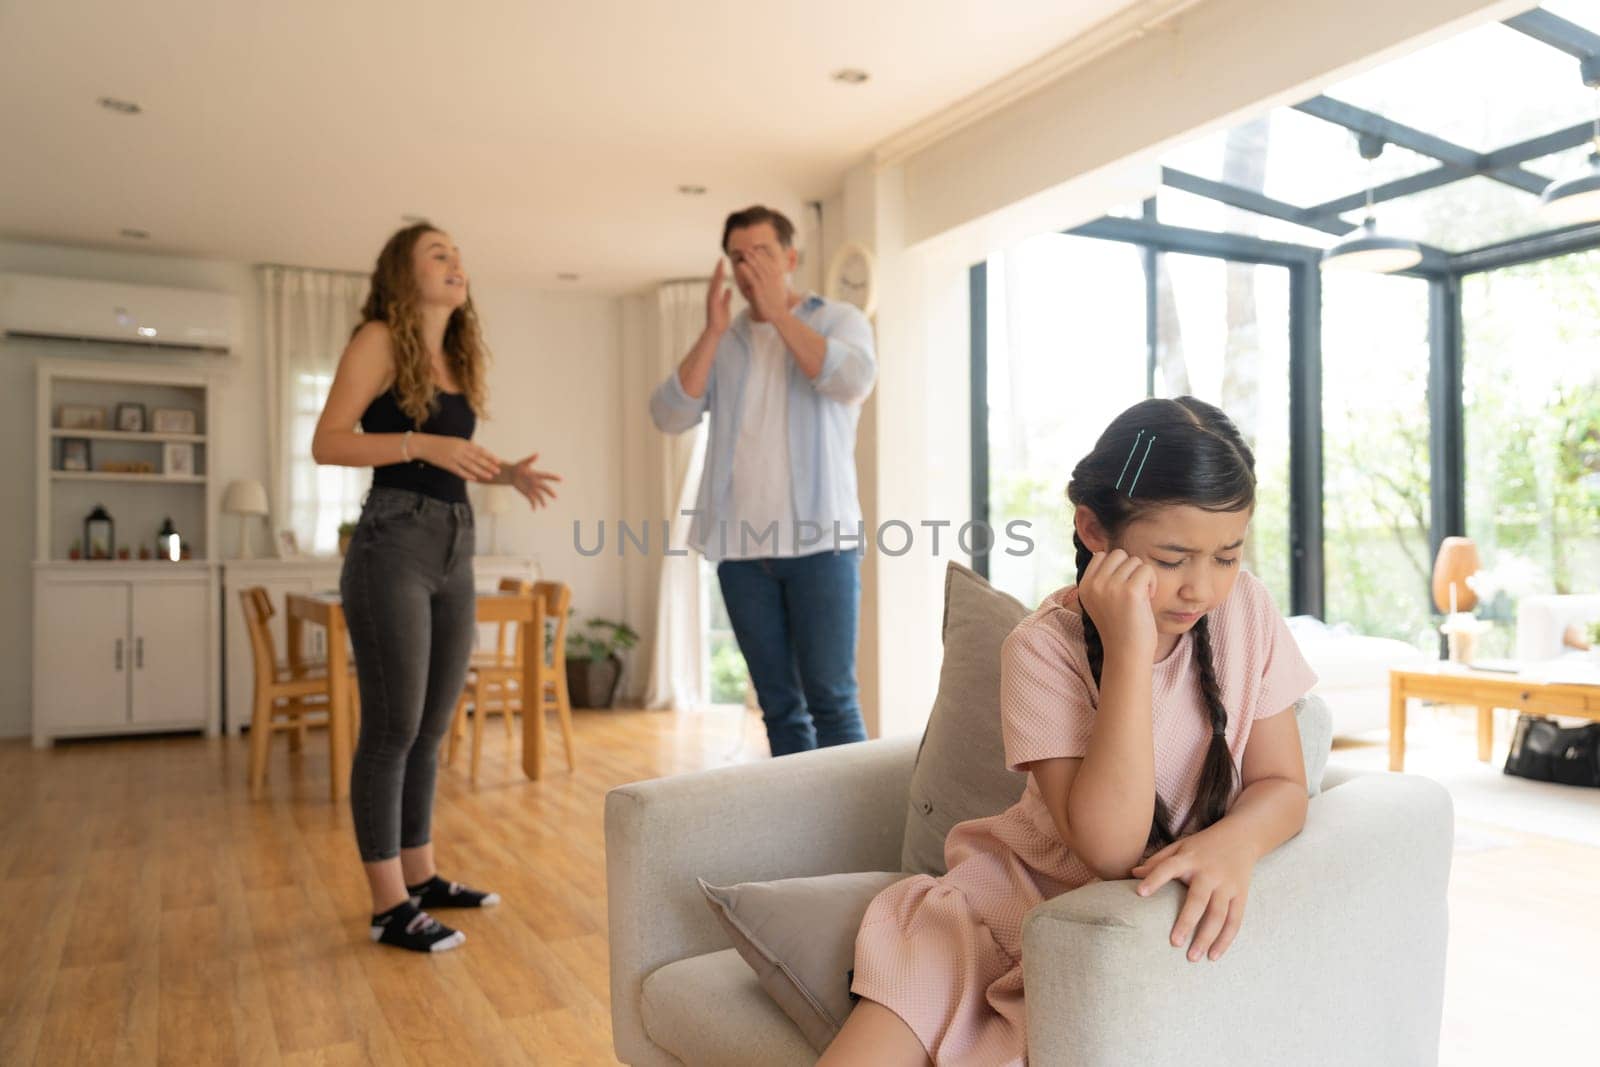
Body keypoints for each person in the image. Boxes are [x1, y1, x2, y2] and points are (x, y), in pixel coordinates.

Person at [822, 396, 1318, 1064]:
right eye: (1172, 558)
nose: (1202, 588)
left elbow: (1284, 783)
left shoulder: (1247, 611)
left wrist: (1235, 841)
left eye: (1226, 556)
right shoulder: (1038, 649)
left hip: (1101, 934)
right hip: (993, 915)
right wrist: (1130, 653)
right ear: (1093, 530)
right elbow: (1110, 848)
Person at [312, 221, 561, 953]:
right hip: (393, 539)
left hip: (456, 539)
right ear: (402, 271)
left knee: (432, 723)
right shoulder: (379, 339)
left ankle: (419, 876)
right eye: (438, 254)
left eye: (458, 253)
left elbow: (448, 454)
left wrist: (504, 472)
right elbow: (328, 441)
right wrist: (423, 444)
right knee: (391, 726)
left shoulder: (454, 355)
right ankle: (389, 905)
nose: (457, 263)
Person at [650, 205, 876, 756]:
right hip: (740, 553)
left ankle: (859, 840)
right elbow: (669, 415)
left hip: (821, 544)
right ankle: (802, 838)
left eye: (763, 252)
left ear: (791, 258)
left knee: (834, 700)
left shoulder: (839, 319)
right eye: (738, 256)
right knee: (778, 707)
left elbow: (852, 379)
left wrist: (779, 314)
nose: (749, 264)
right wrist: (709, 330)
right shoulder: (724, 342)